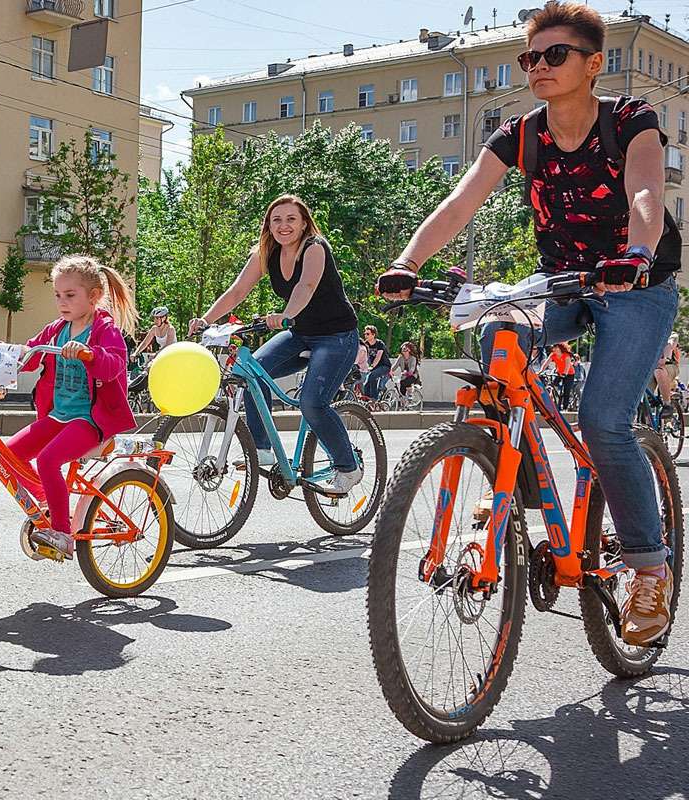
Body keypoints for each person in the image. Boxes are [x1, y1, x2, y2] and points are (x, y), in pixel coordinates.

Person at [378, 2, 680, 646]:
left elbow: (646, 194)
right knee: (499, 330)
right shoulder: (520, 134)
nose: (538, 66)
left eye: (555, 55)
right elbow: (460, 201)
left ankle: (650, 568)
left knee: (603, 419)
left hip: (636, 282)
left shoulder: (630, 120)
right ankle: (504, 473)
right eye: (530, 57)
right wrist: (407, 262)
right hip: (560, 282)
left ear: (593, 65)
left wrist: (637, 252)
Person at [0, 255, 137, 559]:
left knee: (47, 460)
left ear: (94, 296)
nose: (62, 302)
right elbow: (28, 355)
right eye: (57, 295)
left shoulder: (104, 329)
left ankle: (62, 534)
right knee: (9, 455)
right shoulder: (57, 329)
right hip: (59, 416)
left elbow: (113, 366)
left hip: (89, 420)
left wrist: (89, 354)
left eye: (70, 295)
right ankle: (50, 501)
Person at [190, 194, 363, 494]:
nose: (284, 226)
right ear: (268, 225)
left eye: (291, 219)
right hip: (300, 333)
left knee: (312, 403)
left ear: (304, 223)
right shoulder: (266, 252)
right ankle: (262, 448)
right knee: (250, 372)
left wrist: (286, 315)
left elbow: (306, 286)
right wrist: (205, 319)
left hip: (336, 336)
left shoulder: (315, 247)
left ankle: (348, 467)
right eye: (277, 220)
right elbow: (237, 291)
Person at [362, 325, 389, 399]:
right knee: (366, 383)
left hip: (384, 366)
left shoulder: (380, 343)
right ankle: (367, 400)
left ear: (373, 335)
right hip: (374, 367)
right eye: (365, 334)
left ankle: (374, 399)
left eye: (368, 334)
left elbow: (378, 357)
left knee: (372, 376)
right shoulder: (366, 344)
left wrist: (372, 366)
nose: (365, 335)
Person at [548, 342, 577, 408]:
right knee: (553, 386)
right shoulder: (553, 355)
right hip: (559, 373)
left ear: (560, 348)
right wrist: (540, 371)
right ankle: (553, 402)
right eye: (553, 347)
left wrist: (565, 373)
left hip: (569, 374)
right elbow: (546, 364)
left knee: (566, 390)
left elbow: (567, 366)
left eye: (556, 347)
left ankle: (565, 406)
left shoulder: (566, 355)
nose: (554, 349)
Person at [652, 333, 679, 404]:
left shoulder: (670, 333)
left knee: (659, 371)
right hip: (651, 368)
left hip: (669, 365)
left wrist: (665, 358)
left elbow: (669, 345)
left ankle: (667, 404)